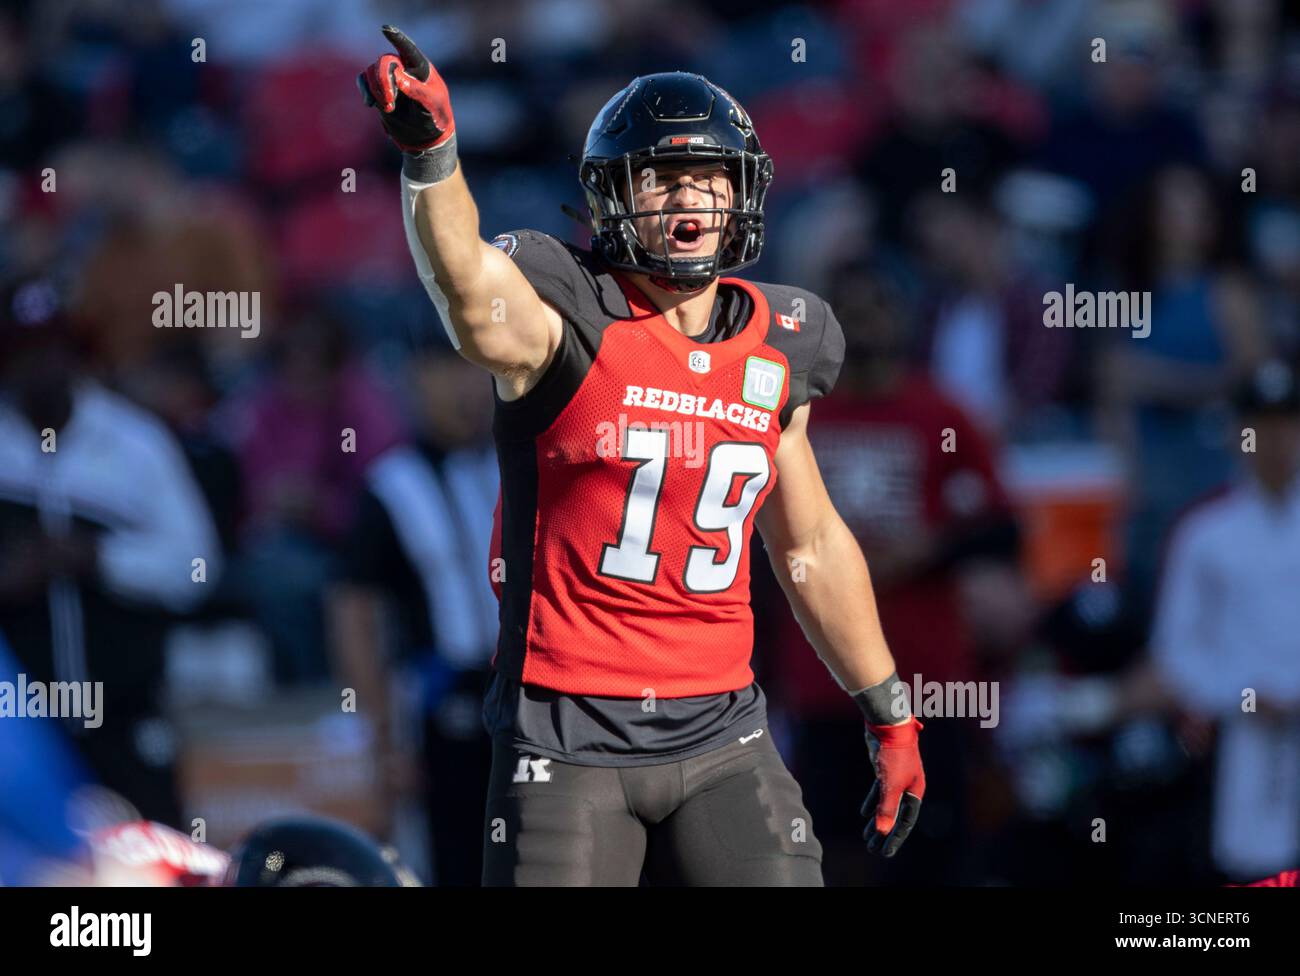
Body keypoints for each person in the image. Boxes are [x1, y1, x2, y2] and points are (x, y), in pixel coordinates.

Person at [359, 27, 925, 886]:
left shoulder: (785, 339)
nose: (689, 198)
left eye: (709, 176)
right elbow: (471, 298)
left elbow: (806, 543)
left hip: (723, 734)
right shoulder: (570, 310)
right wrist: (433, 156)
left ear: (745, 194)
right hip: (564, 737)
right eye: (661, 178)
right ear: (613, 199)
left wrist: (887, 709)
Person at [1151, 358, 1300, 882]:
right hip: (1237, 734)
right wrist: (1240, 693)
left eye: (1287, 423)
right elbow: (1176, 652)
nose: (1277, 439)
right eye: (1261, 425)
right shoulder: (1205, 532)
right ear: (1239, 434)